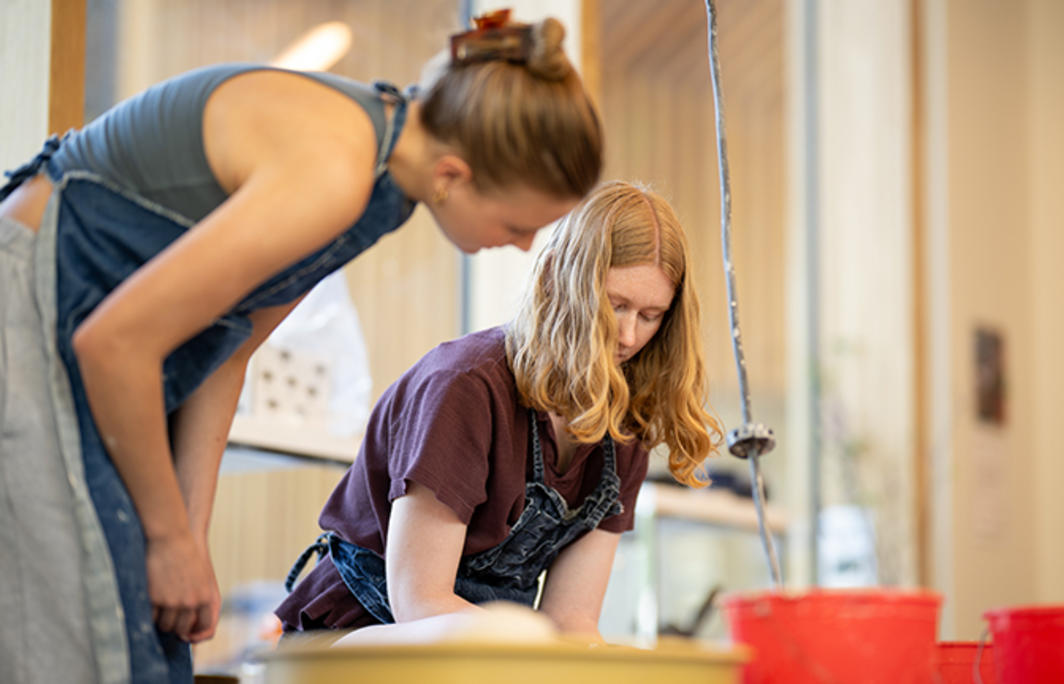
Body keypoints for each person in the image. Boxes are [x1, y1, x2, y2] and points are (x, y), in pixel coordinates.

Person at [0, 11, 601, 684]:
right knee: (83, 645)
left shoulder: (380, 183)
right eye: (519, 224)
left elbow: (228, 351)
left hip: (95, 342)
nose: (522, 247)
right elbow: (114, 344)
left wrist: (189, 541)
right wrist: (167, 539)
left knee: (154, 634)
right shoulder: (335, 169)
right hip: (29, 311)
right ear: (454, 174)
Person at [275, 180, 722, 642]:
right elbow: (421, 603)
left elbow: (571, 623)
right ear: (561, 283)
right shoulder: (466, 387)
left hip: (486, 651)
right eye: (614, 306)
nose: (628, 336)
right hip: (360, 634)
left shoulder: (625, 427)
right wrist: (531, 647)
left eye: (650, 316)